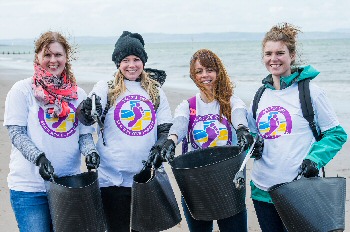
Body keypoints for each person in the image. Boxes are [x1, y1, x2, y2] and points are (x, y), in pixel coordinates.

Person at [246, 23, 348, 232]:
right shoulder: (259, 95)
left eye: (280, 53)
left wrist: (314, 159)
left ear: (292, 55)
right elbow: (253, 134)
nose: (273, 59)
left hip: (300, 189)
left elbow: (336, 134)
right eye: (268, 53)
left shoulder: (310, 91)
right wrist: (252, 145)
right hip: (262, 190)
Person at [3, 31, 100, 232]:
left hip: (69, 185)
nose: (53, 60)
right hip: (30, 189)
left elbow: (83, 135)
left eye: (58, 55)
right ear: (37, 57)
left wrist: (90, 152)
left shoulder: (77, 94)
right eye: (47, 55)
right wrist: (39, 158)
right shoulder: (22, 90)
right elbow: (16, 134)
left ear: (66, 57)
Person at [76, 31, 173, 232]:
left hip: (145, 179)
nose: (131, 65)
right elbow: (92, 109)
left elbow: (165, 129)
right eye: (125, 60)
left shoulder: (155, 91)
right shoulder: (106, 87)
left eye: (136, 59)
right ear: (118, 63)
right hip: (111, 180)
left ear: (143, 61)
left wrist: (160, 146)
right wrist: (86, 109)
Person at [160, 48, 261, 232]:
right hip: (196, 182)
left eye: (209, 70)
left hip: (228, 182)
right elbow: (180, 124)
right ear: (193, 75)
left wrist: (241, 129)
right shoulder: (188, 106)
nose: (205, 75)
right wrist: (171, 140)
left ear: (218, 71)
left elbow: (239, 114)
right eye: (199, 71)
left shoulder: (231, 101)